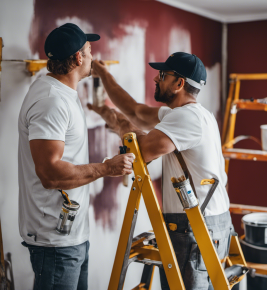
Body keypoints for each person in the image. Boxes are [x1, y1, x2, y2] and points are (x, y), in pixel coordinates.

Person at [88, 52, 231, 290]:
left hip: (194, 226)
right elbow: (135, 111)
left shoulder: (187, 119)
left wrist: (118, 124)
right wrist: (104, 74)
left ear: (179, 83)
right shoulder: (195, 115)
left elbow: (138, 151)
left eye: (163, 75)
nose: (156, 79)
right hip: (210, 221)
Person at [18, 23, 135, 290]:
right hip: (54, 242)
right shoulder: (52, 101)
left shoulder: (62, 94)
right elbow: (49, 174)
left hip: (70, 235)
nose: (94, 57)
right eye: (90, 50)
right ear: (79, 58)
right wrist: (106, 169)